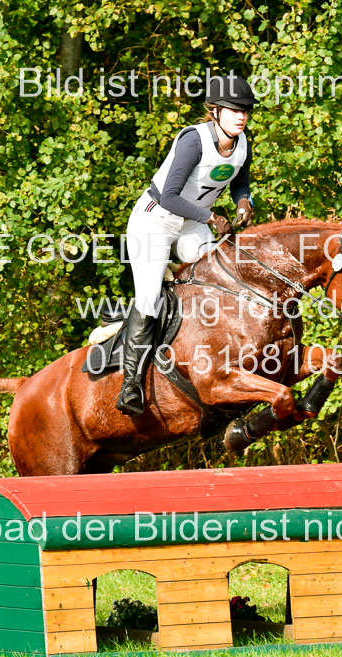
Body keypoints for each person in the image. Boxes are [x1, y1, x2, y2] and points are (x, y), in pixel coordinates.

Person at [117, 74, 259, 416]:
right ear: (215, 111)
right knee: (149, 296)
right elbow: (169, 197)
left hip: (192, 222)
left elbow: (240, 183)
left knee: (221, 278)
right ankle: (130, 384)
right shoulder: (194, 141)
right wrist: (211, 217)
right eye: (234, 110)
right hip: (155, 220)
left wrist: (243, 202)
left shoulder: (242, 143)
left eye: (245, 110)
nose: (241, 116)